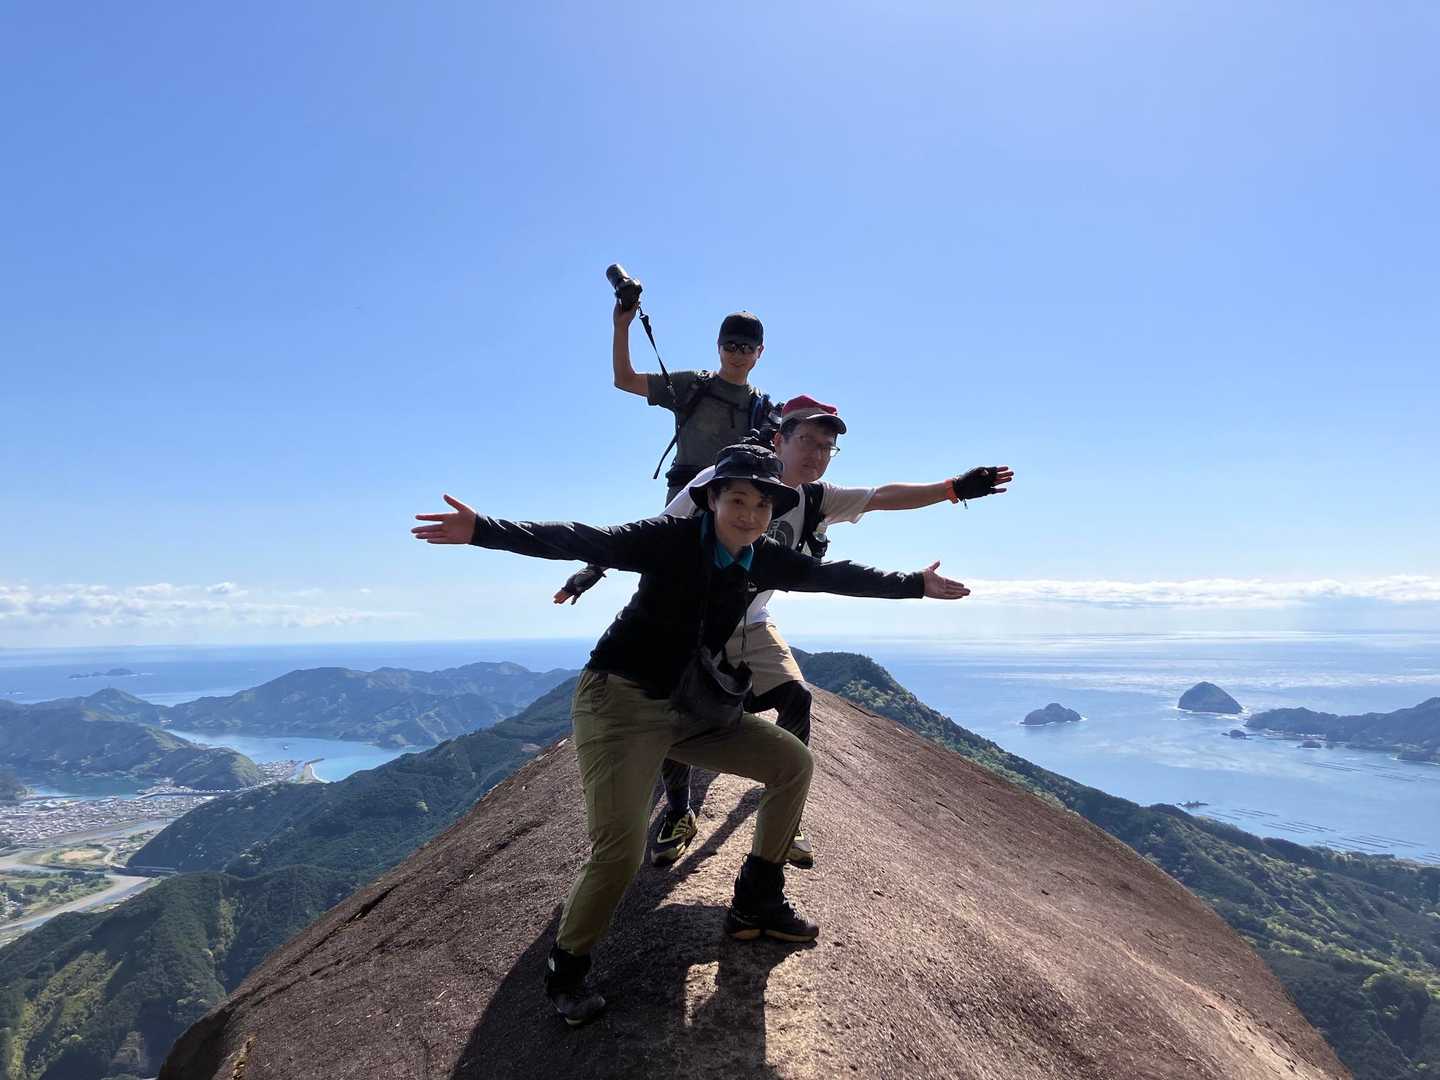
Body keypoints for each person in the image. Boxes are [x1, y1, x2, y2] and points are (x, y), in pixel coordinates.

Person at [412, 443, 972, 1026]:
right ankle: (566, 968)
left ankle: (757, 900)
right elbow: (586, 539)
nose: (749, 514)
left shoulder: (760, 556)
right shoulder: (669, 539)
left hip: (688, 706)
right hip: (620, 705)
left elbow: (831, 576)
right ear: (711, 499)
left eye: (762, 504)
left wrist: (915, 584)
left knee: (791, 764)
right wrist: (483, 530)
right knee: (619, 851)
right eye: (738, 500)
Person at [585, 395, 1016, 869]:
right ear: (779, 440)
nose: (816, 453)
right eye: (807, 440)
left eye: (826, 446)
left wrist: (953, 488)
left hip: (752, 620)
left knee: (796, 697)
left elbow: (881, 497)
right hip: (692, 619)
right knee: (676, 701)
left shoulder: (816, 497)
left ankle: (783, 818)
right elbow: (653, 531)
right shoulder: (723, 480)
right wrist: (593, 568)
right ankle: (678, 811)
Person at [553, 304, 776, 604]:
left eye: (747, 348)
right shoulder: (692, 385)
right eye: (731, 346)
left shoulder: (763, 408)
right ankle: (597, 569)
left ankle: (598, 566)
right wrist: (622, 326)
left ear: (759, 352)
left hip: (733, 508)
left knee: (719, 597)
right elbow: (625, 379)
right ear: (718, 346)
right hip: (684, 504)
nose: (738, 354)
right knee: (664, 589)